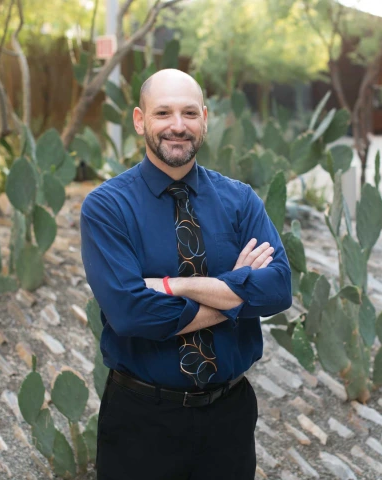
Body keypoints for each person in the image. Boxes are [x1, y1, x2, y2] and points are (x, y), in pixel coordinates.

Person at [80, 68, 292, 480]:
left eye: (189, 113)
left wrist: (172, 285)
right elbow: (131, 313)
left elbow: (279, 290)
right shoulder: (107, 208)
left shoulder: (240, 200)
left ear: (205, 119)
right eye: (164, 113)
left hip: (229, 417)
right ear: (141, 120)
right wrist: (237, 292)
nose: (178, 126)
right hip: (142, 420)